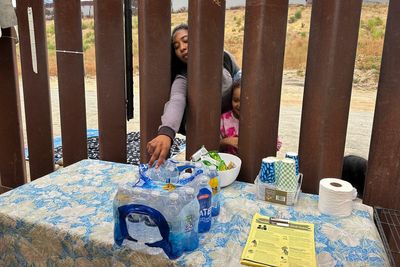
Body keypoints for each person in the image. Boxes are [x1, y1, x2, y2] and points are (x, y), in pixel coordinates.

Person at [147, 23, 240, 167]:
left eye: (186, 40)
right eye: (176, 46)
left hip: (233, 125)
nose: (182, 48)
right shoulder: (183, 77)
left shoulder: (225, 59)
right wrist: (166, 132)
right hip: (205, 134)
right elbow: (177, 100)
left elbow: (240, 82)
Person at [219, 78, 282, 155]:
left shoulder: (261, 121)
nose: (239, 105)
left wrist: (258, 143)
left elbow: (277, 144)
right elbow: (213, 147)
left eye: (245, 100)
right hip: (231, 164)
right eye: (235, 100)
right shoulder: (223, 120)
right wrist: (227, 141)